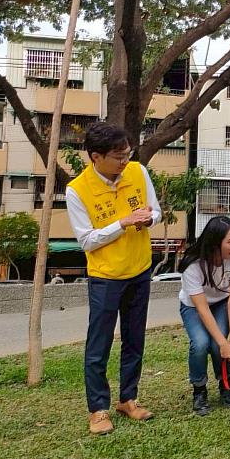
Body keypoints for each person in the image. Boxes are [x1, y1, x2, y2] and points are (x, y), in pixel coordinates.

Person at [66, 122, 161, 435]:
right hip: (106, 277)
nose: (125, 160)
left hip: (140, 270)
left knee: (135, 339)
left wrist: (149, 218)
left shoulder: (137, 172)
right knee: (99, 345)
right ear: (96, 156)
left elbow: (155, 211)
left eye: (127, 153)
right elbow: (87, 240)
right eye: (119, 156)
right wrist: (122, 223)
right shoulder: (77, 190)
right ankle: (98, 409)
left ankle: (128, 399)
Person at [178, 216, 230, 416]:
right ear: (215, 243)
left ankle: (225, 383)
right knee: (200, 344)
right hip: (194, 307)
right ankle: (199, 390)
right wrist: (223, 343)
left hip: (222, 303)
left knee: (220, 345)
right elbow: (201, 308)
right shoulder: (192, 265)